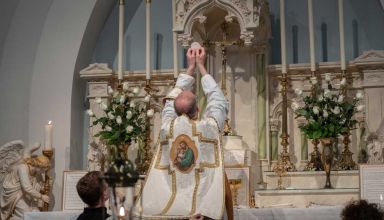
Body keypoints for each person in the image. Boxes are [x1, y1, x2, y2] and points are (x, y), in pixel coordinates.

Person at [135, 45, 233, 220]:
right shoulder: (209, 128)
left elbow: (170, 104)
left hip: (175, 210)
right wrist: (201, 67)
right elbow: (218, 100)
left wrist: (189, 69)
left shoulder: (166, 129)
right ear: (198, 108)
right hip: (202, 213)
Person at [0, 144, 51, 220]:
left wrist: (43, 188)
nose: (43, 172)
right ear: (39, 166)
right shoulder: (23, 168)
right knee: (26, 214)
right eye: (43, 170)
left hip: (23, 193)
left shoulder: (35, 171)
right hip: (13, 194)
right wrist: (41, 196)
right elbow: (26, 187)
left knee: (35, 212)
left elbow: (35, 184)